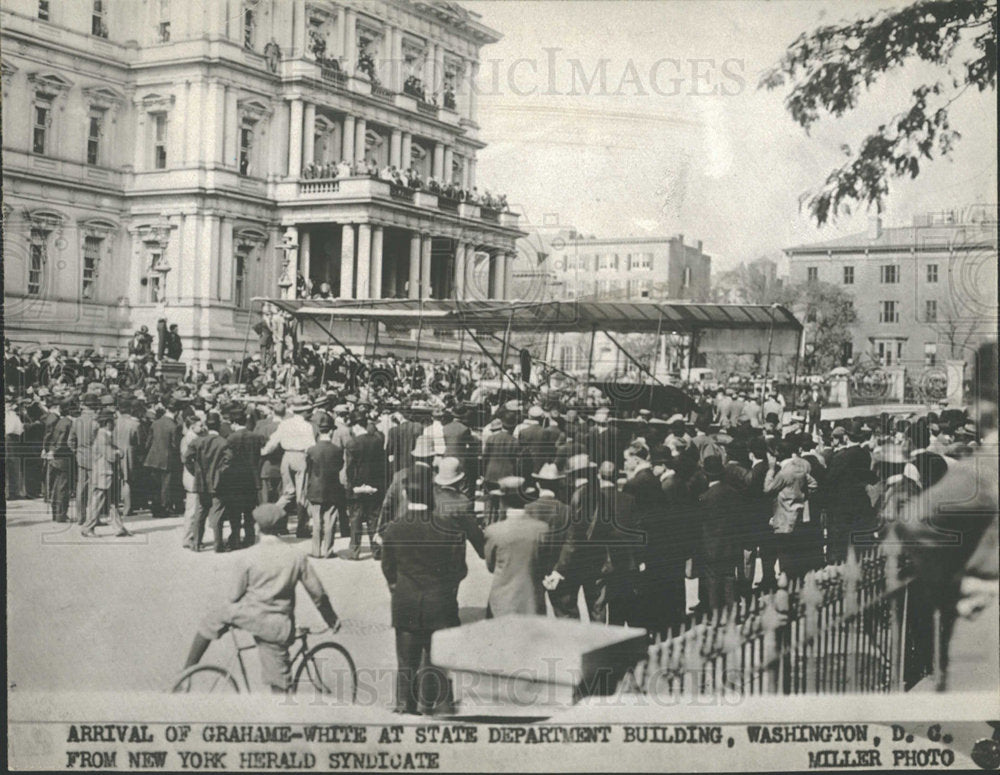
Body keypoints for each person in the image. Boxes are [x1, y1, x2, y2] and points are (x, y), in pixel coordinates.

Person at [182, 503, 341, 694]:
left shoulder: (248, 556)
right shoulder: (296, 556)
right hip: (276, 625)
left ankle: (186, 673)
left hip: (248, 616)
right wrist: (331, 620)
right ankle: (278, 703)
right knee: (279, 682)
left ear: (258, 527)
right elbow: (318, 594)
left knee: (211, 621)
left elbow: (234, 595)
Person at [380, 478, 465, 715]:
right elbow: (460, 569)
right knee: (438, 660)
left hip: (406, 603)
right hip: (440, 604)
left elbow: (388, 567)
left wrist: (398, 587)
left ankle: (404, 706)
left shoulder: (394, 528)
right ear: (431, 496)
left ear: (406, 496)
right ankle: (439, 706)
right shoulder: (449, 528)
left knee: (406, 662)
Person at [484, 476, 549, 617]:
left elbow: (490, 565)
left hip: (502, 601)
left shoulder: (494, 531)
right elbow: (545, 563)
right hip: (533, 600)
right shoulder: (542, 529)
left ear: (502, 501)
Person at [261, 397, 316, 538]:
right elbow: (311, 446)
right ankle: (302, 528)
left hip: (287, 457)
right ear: (303, 412)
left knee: (288, 492)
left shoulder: (284, 424)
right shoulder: (307, 426)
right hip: (301, 456)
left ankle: (268, 517)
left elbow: (273, 442)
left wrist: (264, 452)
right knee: (302, 494)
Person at [81, 408, 131, 538]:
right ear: (108, 422)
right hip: (103, 474)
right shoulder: (102, 436)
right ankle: (88, 527)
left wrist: (117, 451)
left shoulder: (104, 435)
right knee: (98, 502)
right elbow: (111, 456)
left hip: (105, 474)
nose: (115, 424)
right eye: (113, 421)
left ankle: (119, 528)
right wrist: (118, 452)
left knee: (112, 503)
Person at [303, 413, 346, 559]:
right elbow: (340, 467)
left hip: (315, 488)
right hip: (332, 488)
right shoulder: (337, 450)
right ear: (331, 431)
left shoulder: (311, 450)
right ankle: (328, 550)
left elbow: (308, 469)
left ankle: (316, 550)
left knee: (316, 521)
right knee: (330, 520)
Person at [345, 410, 386, 559]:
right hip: (375, 485)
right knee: (373, 518)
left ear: (355, 426)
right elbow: (382, 465)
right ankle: (377, 550)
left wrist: (352, 486)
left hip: (358, 486)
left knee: (356, 519)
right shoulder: (378, 441)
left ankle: (354, 551)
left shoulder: (352, 443)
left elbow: (350, 468)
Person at [144, 398, 181, 518]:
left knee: (155, 485)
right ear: (177, 412)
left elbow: (148, 443)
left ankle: (156, 507)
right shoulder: (174, 426)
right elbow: (175, 445)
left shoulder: (155, 423)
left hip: (152, 458)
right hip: (167, 459)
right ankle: (165, 508)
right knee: (166, 485)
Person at [43, 398, 74, 522]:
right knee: (63, 488)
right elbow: (62, 441)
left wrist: (51, 451)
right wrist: (56, 451)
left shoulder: (60, 421)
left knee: (56, 487)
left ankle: (56, 514)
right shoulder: (69, 423)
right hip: (63, 458)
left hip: (56, 458)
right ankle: (61, 515)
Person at [112, 397, 141, 516]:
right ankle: (127, 508)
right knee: (126, 481)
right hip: (128, 453)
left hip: (114, 451)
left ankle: (114, 507)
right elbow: (138, 441)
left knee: (115, 480)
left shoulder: (114, 423)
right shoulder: (135, 424)